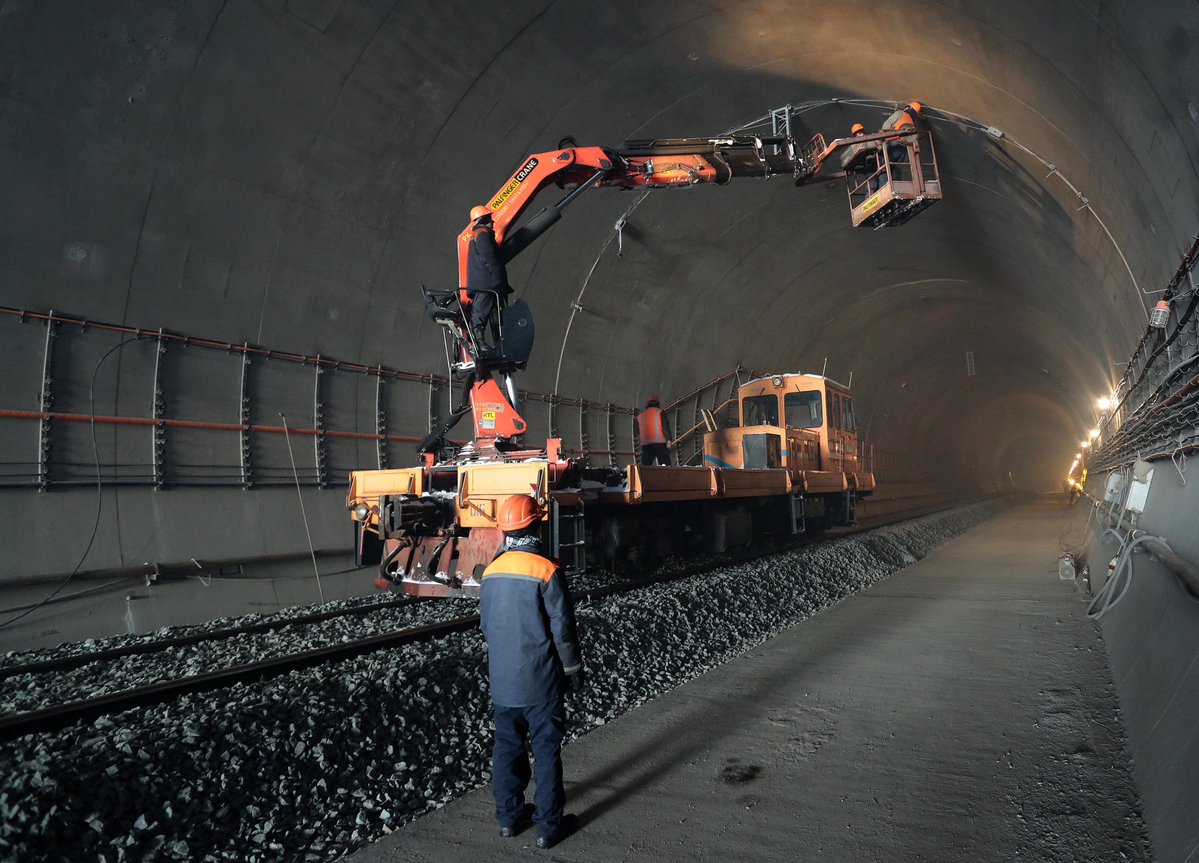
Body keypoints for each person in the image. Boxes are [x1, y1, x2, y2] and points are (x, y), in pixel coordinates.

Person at [480, 494, 583, 849]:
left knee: (507, 747)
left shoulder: (491, 572)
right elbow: (563, 629)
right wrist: (572, 669)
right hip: (540, 681)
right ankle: (548, 826)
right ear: (537, 524)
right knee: (545, 749)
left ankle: (509, 819)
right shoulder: (546, 570)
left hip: (503, 682)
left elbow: (487, 626)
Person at [466, 205, 513, 351]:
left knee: (491, 315)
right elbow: (489, 257)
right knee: (480, 313)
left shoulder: (479, 235)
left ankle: (495, 345)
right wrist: (498, 278)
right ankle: (478, 344)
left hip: (485, 283)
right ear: (484, 219)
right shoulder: (482, 235)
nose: (493, 223)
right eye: (490, 219)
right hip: (486, 284)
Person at [638, 396, 672, 465]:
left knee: (646, 466)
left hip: (646, 444)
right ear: (657, 404)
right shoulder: (660, 412)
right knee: (665, 465)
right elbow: (665, 426)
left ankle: (646, 476)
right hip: (659, 443)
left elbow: (637, 431)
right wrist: (669, 439)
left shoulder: (641, 415)